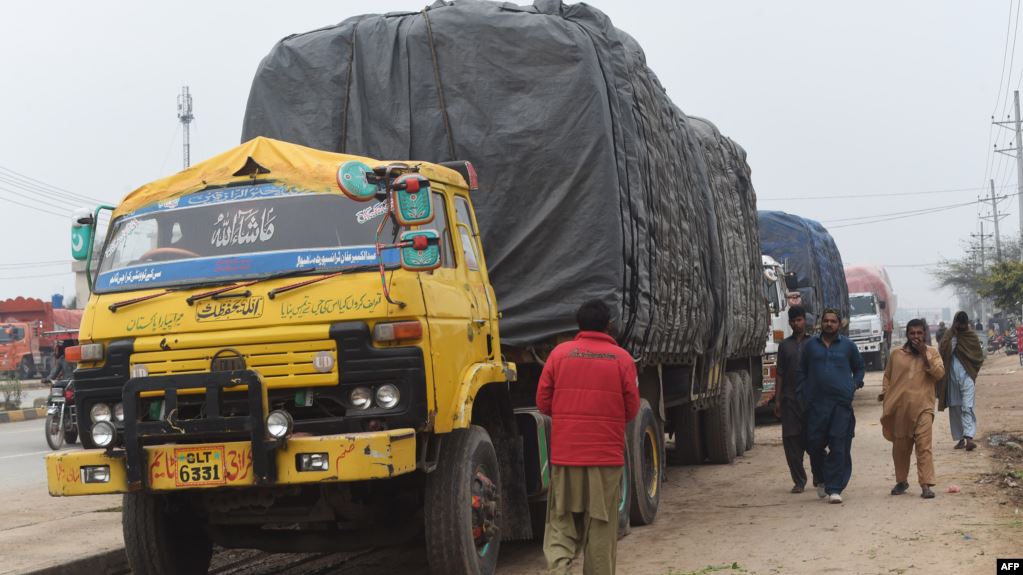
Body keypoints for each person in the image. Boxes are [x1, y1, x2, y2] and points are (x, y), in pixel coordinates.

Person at [536, 299, 640, 575]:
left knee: (561, 522)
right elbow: (632, 409)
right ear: (609, 326)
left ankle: (560, 570)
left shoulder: (558, 355)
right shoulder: (622, 359)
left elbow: (543, 402)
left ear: (578, 325)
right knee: (601, 527)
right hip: (606, 459)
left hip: (565, 456)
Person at [797, 308, 865, 504]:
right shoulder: (811, 346)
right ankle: (821, 478)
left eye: (833, 321)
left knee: (839, 444)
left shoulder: (848, 346)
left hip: (841, 405)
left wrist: (855, 383)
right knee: (814, 445)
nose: (829, 324)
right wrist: (802, 392)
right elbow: (802, 370)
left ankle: (835, 488)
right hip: (815, 405)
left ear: (839, 324)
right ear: (821, 323)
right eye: (826, 321)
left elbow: (859, 367)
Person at [879, 319, 945, 499]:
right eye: (912, 333)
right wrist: (886, 394)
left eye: (919, 333)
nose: (916, 337)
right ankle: (901, 481)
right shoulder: (896, 355)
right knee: (901, 448)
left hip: (924, 408)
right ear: (907, 334)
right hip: (900, 409)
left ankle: (926, 485)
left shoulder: (932, 353)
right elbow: (888, 377)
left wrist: (925, 354)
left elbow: (939, 374)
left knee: (924, 447)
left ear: (925, 334)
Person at [773, 305, 817, 493]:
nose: (797, 323)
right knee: (791, 441)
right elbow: (780, 374)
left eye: (799, 320)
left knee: (815, 440)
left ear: (804, 320)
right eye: (793, 321)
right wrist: (777, 400)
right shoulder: (784, 346)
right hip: (790, 400)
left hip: (811, 401)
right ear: (790, 323)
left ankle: (819, 475)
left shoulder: (815, 343)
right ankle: (799, 481)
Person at [938, 311, 984, 451]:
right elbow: (942, 351)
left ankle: (969, 438)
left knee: (967, 406)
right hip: (951, 378)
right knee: (955, 408)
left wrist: (972, 373)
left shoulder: (971, 337)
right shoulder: (949, 335)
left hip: (967, 376)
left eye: (963, 323)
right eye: (959, 322)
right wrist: (953, 337)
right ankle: (960, 439)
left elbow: (978, 357)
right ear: (955, 322)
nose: (961, 326)